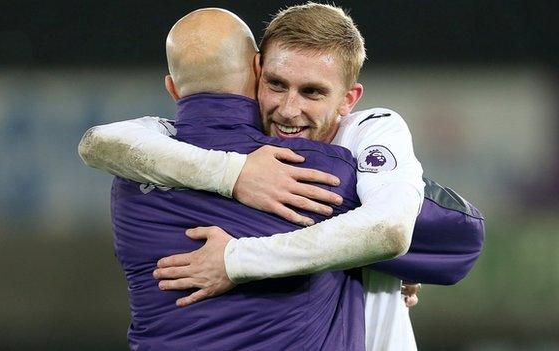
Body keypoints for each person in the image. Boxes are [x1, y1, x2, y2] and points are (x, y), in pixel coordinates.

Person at [79, 4, 484, 351]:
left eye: (312, 92)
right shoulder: (186, 147)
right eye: (276, 84)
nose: (289, 110)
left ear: (349, 99)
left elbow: (409, 232)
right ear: (256, 72)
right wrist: (235, 174)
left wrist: (235, 259)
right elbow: (98, 144)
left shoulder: (366, 137)